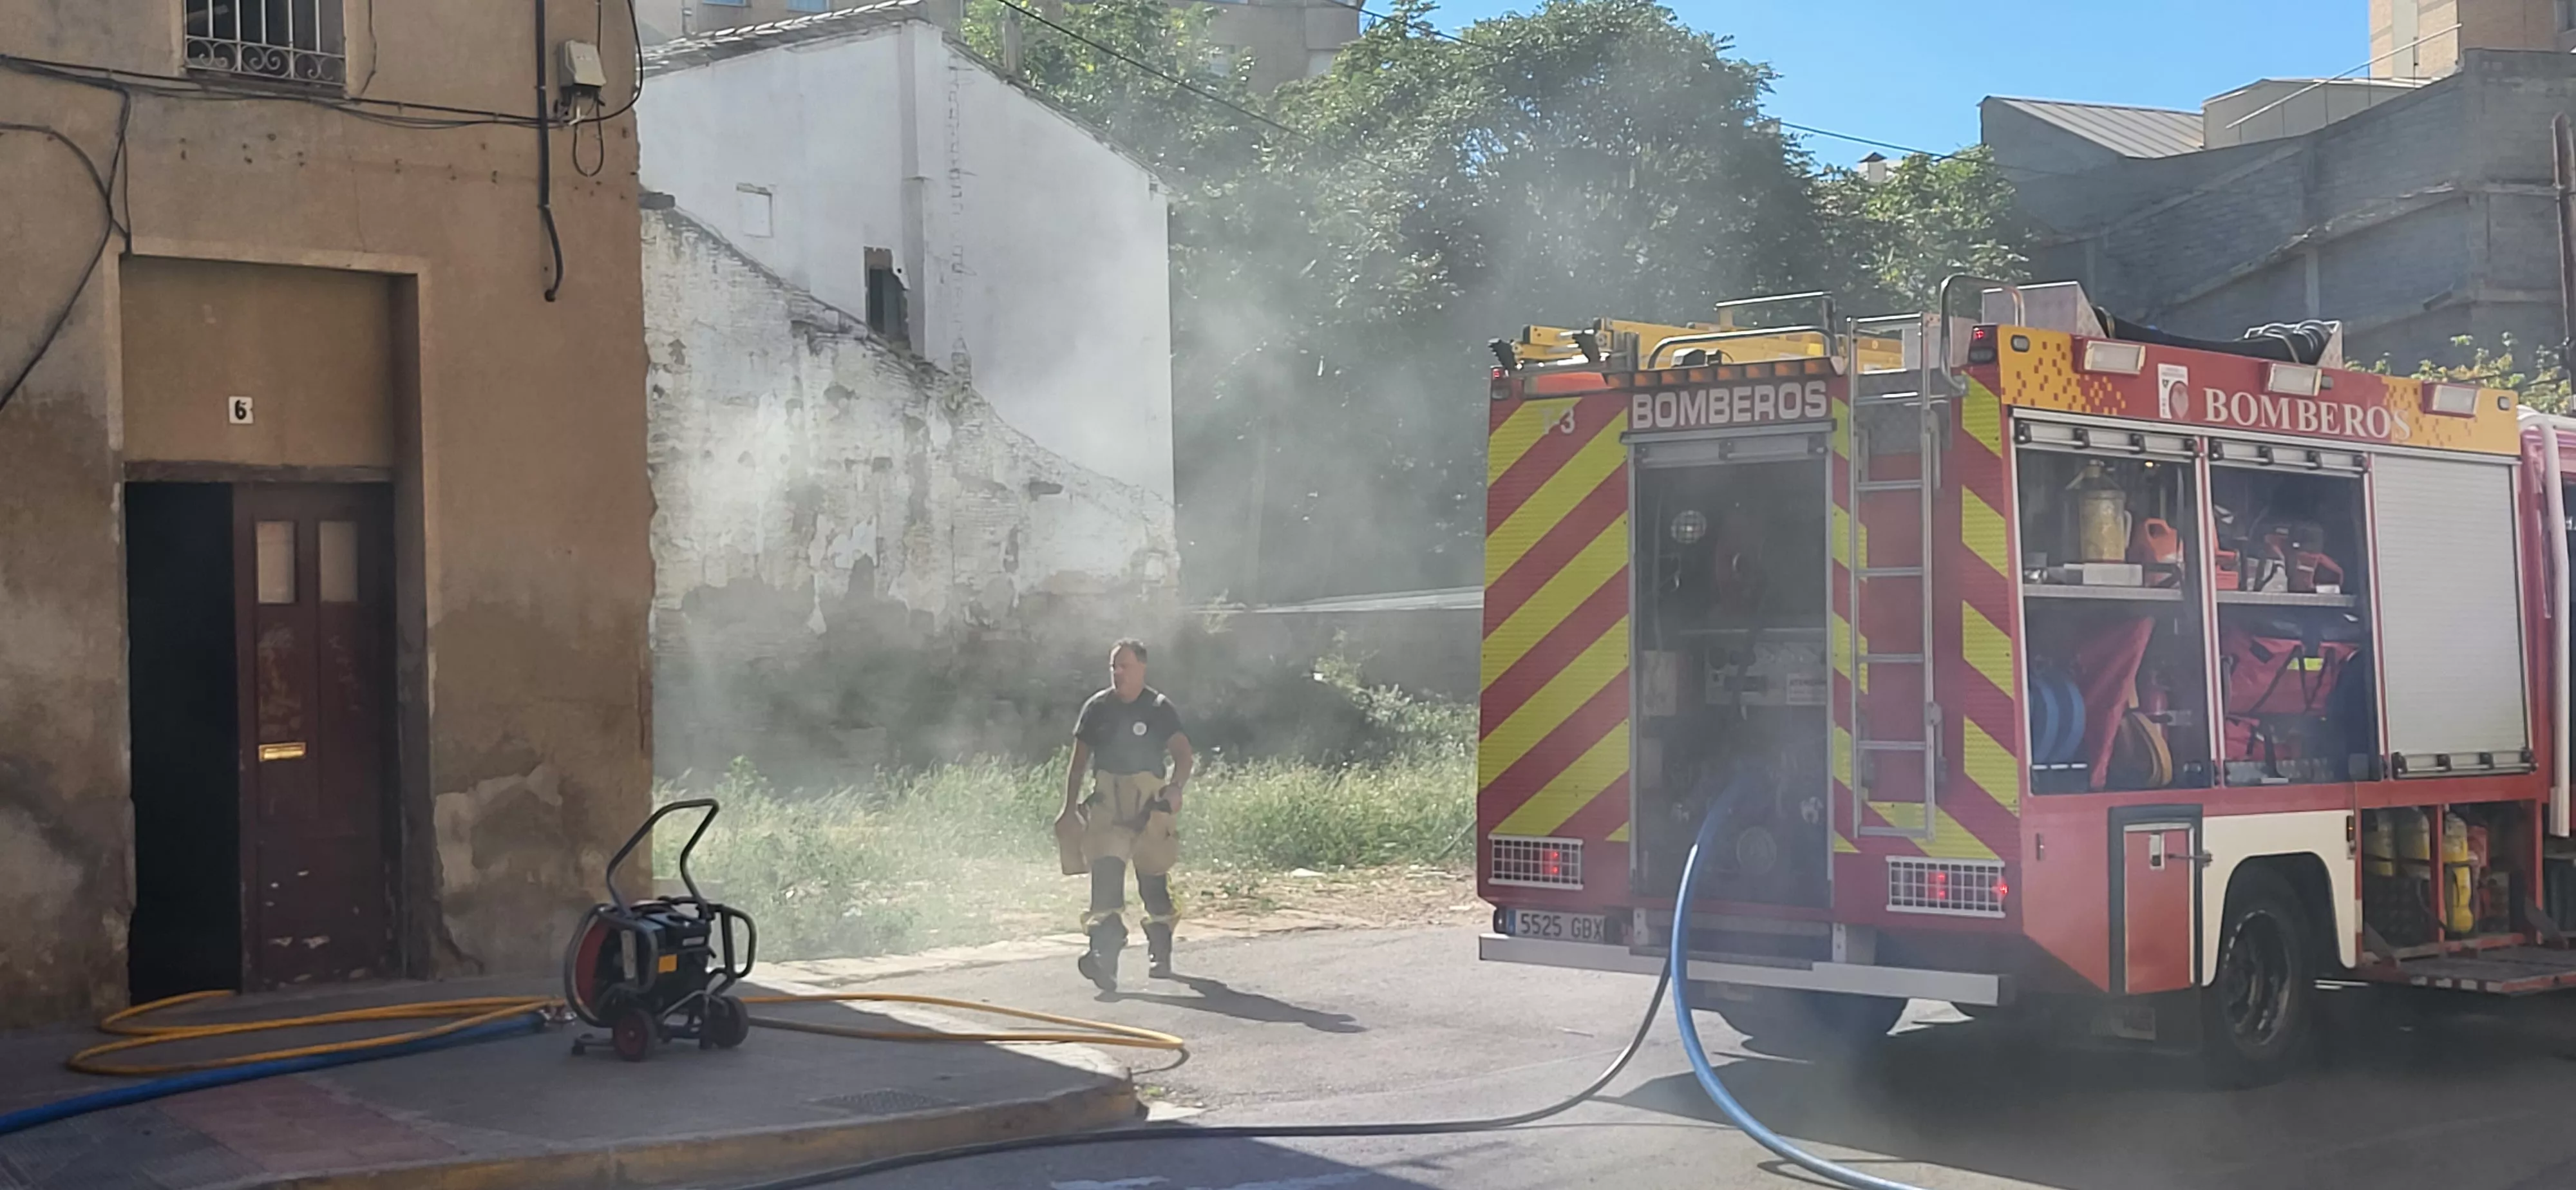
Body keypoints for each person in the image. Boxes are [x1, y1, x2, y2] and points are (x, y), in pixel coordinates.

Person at [1059, 639, 1194, 990]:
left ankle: (1160, 948)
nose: (1118, 673)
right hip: (1108, 805)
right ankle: (1103, 959)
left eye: (1125, 666)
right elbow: (1078, 765)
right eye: (1114, 667)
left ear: (1142, 668)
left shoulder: (1159, 707)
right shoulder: (1097, 708)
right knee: (1105, 878)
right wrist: (1069, 810)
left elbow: (1183, 755)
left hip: (1150, 806)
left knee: (1153, 885)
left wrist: (1176, 788)